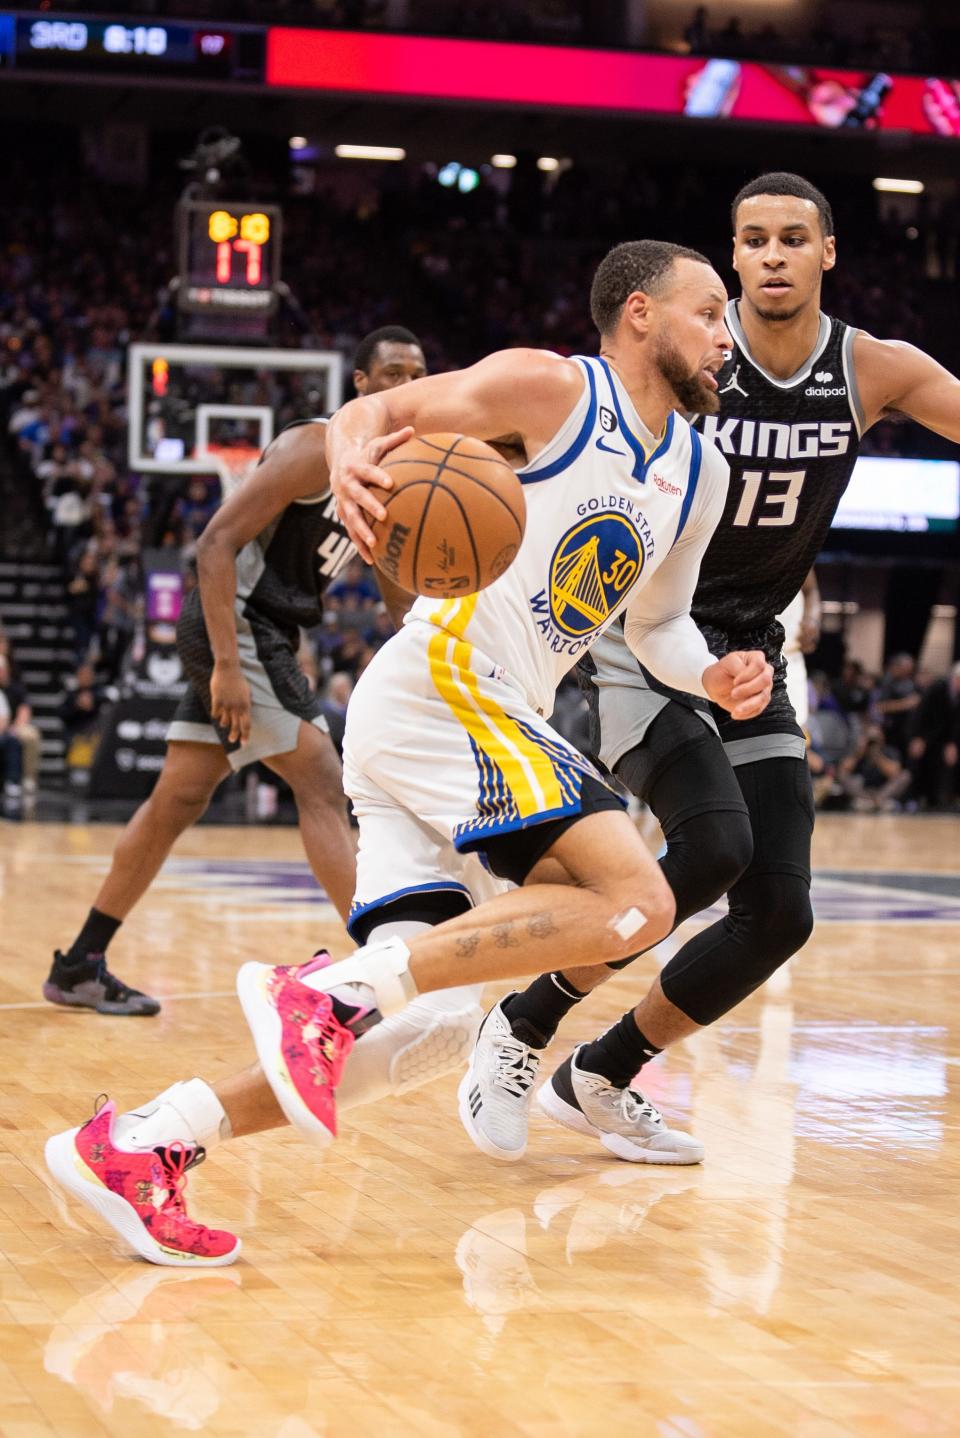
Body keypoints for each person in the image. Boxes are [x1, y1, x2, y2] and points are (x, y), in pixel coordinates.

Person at [46, 239, 773, 1263]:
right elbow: (377, 412)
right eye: (709, 311)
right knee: (638, 901)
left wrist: (711, 674)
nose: (725, 333)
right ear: (642, 313)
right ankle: (325, 991)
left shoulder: (700, 470)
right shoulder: (557, 388)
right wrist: (347, 453)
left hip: (451, 713)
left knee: (421, 1032)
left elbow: (656, 627)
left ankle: (146, 1141)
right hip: (449, 682)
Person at [462, 169, 960, 1163]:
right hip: (643, 641)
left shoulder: (873, 369)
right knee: (710, 849)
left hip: (750, 653)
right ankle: (520, 1022)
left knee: (779, 911)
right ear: (730, 259)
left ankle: (599, 1071)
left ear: (828, 254)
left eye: (792, 238)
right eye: (753, 239)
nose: (772, 255)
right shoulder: (693, 351)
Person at [44, 326, 428, 1017]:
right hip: (237, 623)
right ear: (362, 387)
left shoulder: (396, 470)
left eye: (417, 373)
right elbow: (214, 544)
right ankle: (372, 978)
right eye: (392, 373)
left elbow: (395, 584)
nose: (406, 386)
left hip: (267, 629)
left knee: (176, 802)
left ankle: (80, 963)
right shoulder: (316, 447)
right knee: (319, 779)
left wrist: (430, 653)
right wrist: (226, 665)